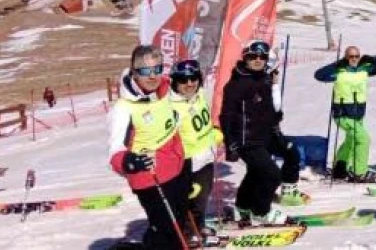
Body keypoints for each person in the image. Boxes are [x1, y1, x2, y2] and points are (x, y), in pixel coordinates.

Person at [107, 46, 191, 249]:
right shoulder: (124, 109)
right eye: (145, 71)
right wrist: (130, 161)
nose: (152, 76)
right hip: (151, 179)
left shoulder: (165, 89)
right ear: (134, 72)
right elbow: (114, 153)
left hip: (177, 168)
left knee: (178, 223)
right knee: (168, 233)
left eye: (157, 69)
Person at [221, 39, 302, 225]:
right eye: (253, 56)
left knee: (256, 173)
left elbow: (270, 110)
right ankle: (260, 212)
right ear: (245, 57)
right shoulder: (236, 85)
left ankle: (242, 208)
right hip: (246, 141)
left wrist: (275, 124)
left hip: (264, 137)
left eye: (262, 57)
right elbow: (226, 116)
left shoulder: (263, 79)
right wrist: (230, 143)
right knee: (271, 174)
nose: (258, 60)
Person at [314, 45, 376, 182]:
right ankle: (359, 172)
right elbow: (319, 75)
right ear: (346, 57)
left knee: (351, 140)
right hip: (343, 114)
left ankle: (340, 168)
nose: (354, 59)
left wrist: (372, 58)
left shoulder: (364, 70)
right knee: (363, 139)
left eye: (357, 56)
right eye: (351, 56)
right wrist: (336, 64)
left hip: (358, 114)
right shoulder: (339, 71)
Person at [169, 59, 223, 241]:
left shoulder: (200, 95)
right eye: (183, 80)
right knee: (188, 202)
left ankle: (198, 227)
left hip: (206, 157)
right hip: (188, 163)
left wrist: (214, 133)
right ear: (175, 82)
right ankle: (186, 235)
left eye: (193, 78)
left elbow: (205, 122)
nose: (189, 84)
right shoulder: (172, 107)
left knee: (202, 199)